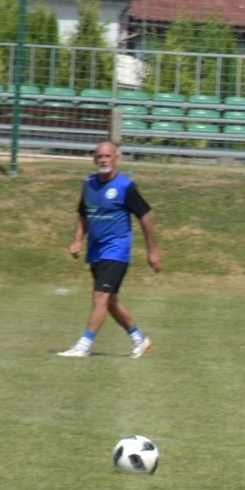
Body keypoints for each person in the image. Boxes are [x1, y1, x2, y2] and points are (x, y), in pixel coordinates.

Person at [57, 141, 161, 358]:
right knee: (109, 301)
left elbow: (146, 217)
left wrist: (152, 251)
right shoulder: (89, 184)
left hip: (117, 249)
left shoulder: (125, 186)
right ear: (94, 159)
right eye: (99, 156)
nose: (103, 160)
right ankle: (140, 340)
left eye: (107, 156)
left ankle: (84, 346)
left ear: (116, 158)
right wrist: (77, 240)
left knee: (100, 296)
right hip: (96, 250)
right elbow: (83, 214)